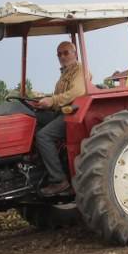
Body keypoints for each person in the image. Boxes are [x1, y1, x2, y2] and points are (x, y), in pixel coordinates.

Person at [34, 41, 87, 196]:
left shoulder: (80, 70)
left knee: (43, 136)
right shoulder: (65, 73)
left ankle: (59, 180)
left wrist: (53, 101)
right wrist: (44, 102)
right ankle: (37, 167)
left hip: (73, 113)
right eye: (59, 54)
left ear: (75, 53)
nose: (62, 56)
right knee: (32, 120)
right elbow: (58, 97)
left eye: (66, 53)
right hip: (61, 111)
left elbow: (78, 91)